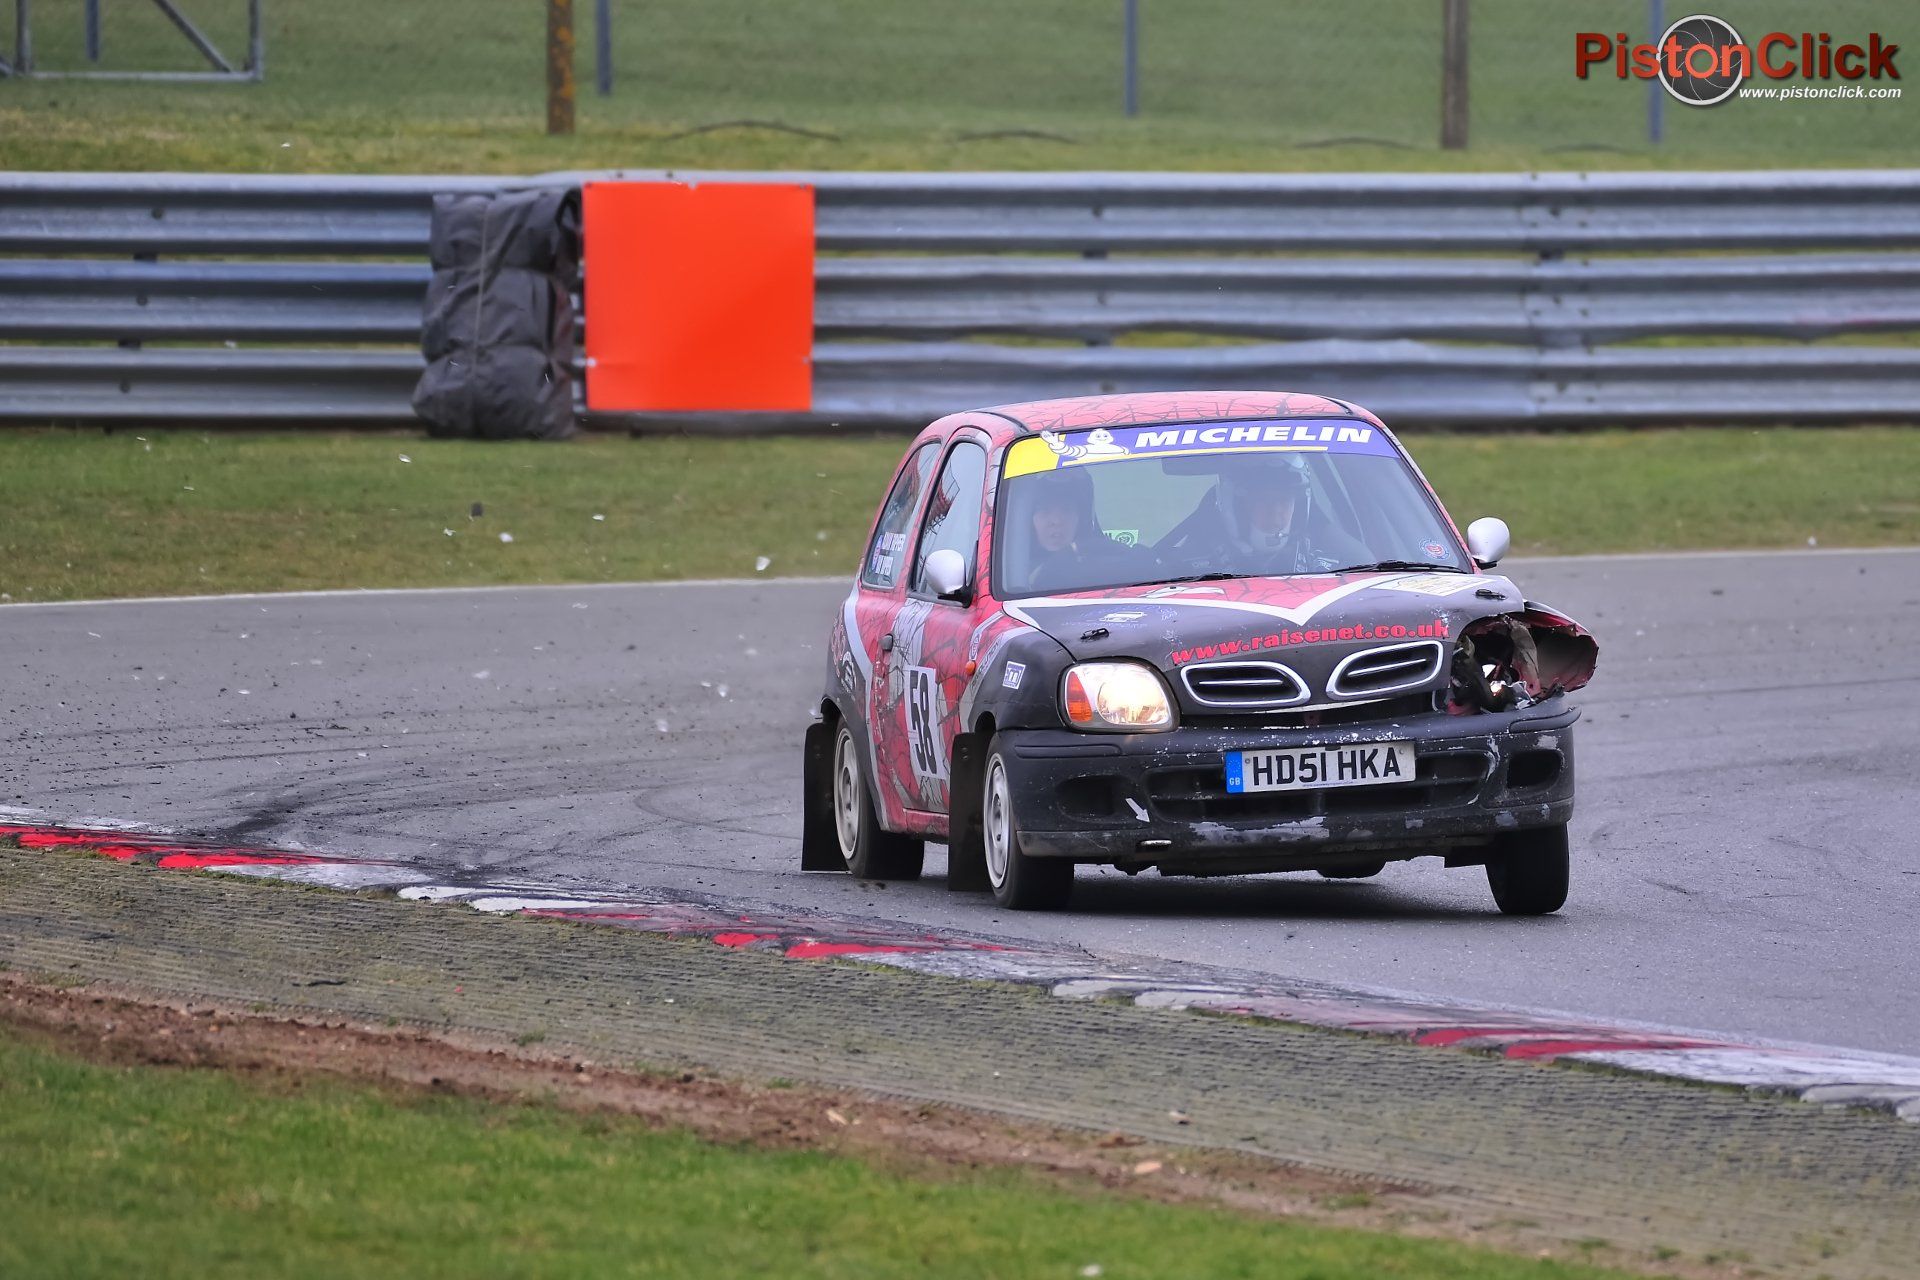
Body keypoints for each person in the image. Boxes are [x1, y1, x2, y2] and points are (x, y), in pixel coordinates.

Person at [1177, 457, 1369, 575]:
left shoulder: (1337, 565)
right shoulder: (1186, 568)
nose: (1275, 510)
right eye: (1263, 500)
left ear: (1301, 506)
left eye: (1285, 500)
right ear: (1236, 506)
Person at [1015, 466, 1140, 591]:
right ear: (1028, 519)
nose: (1056, 521)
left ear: (1081, 519)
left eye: (1066, 510)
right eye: (1044, 510)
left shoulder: (1110, 566)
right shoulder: (1009, 575)